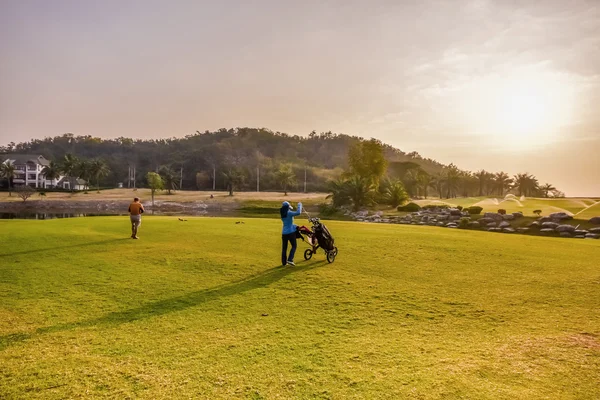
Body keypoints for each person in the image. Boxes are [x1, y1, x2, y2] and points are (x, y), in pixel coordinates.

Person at [280, 200, 302, 266]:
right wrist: (299, 205)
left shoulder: (283, 214)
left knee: (284, 248)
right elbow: (298, 212)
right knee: (294, 246)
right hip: (290, 233)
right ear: (288, 207)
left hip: (284, 233)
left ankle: (284, 262)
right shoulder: (289, 213)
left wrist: (295, 226)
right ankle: (290, 259)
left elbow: (289, 224)